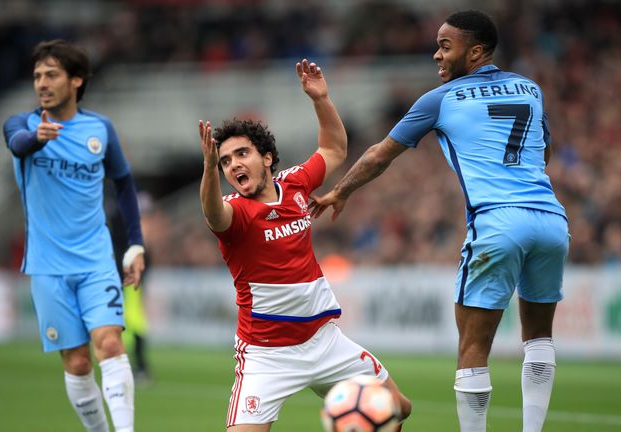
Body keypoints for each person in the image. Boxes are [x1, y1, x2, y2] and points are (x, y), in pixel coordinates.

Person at [310, 11, 569, 432]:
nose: (437, 55)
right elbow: (545, 152)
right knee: (538, 338)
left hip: (496, 221)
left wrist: (341, 191)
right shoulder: (530, 88)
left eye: (446, 46)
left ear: (477, 51)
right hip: (551, 220)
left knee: (472, 347)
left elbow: (379, 154)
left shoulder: (440, 99)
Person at [199, 59, 412, 431]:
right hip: (267, 355)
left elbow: (334, 149)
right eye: (225, 162)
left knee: (398, 409)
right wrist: (206, 170)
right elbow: (213, 214)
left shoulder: (295, 183)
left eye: (241, 154)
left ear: (266, 157)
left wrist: (321, 99)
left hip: (324, 342)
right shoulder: (235, 213)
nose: (233, 166)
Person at [2, 39, 145, 432]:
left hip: (97, 259)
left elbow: (124, 181)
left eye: (51, 74)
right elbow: (16, 144)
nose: (42, 83)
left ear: (76, 80)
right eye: (37, 76)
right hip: (48, 266)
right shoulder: (22, 124)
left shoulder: (100, 129)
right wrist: (38, 138)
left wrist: (134, 244)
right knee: (78, 362)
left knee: (111, 345)